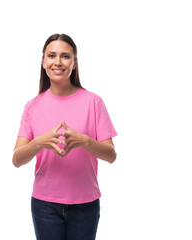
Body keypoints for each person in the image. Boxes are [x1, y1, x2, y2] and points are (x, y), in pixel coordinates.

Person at [12, 33, 117, 240]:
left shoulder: (93, 102)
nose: (58, 62)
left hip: (85, 205)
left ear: (74, 64)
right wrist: (39, 142)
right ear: (43, 62)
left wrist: (85, 141)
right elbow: (16, 159)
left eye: (65, 56)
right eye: (51, 56)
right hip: (45, 206)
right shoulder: (32, 106)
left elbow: (111, 155)